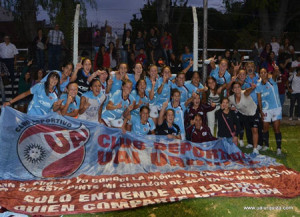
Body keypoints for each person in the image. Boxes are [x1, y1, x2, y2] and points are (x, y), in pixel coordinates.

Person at [256, 67, 282, 155]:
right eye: (261, 73)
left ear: (267, 73)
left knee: (276, 128)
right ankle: (266, 145)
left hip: (276, 108)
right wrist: (261, 111)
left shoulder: (272, 80)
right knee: (265, 128)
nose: (263, 74)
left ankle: (279, 148)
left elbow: (276, 73)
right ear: (259, 74)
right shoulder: (258, 85)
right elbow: (259, 99)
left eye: (264, 72)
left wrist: (276, 69)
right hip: (265, 109)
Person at [229, 81, 259, 154]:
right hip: (244, 114)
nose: (237, 89)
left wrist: (252, 88)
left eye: (238, 87)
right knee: (246, 129)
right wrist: (231, 107)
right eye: (235, 88)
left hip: (253, 112)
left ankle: (255, 148)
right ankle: (247, 143)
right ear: (232, 90)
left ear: (240, 88)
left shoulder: (244, 93)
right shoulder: (231, 98)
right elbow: (227, 104)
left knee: (254, 130)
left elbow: (247, 91)